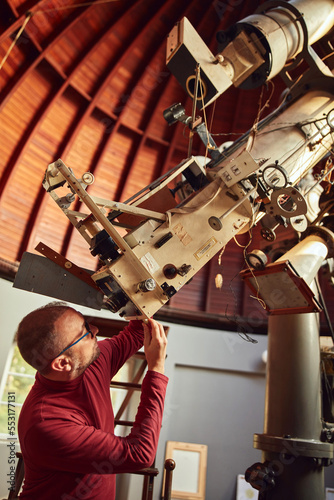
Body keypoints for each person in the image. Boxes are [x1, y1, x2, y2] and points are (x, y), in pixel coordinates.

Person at [16, 301, 168, 500]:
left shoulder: (90, 362)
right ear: (62, 363)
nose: (95, 329)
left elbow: (138, 331)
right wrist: (156, 370)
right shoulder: (46, 424)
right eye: (85, 331)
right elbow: (140, 453)